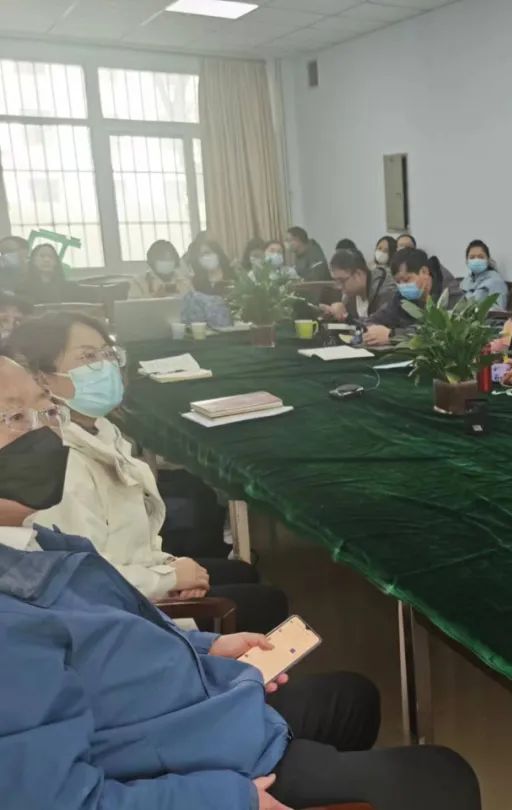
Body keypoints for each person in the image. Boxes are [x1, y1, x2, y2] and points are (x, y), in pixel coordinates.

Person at [0, 353, 482, 810]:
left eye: (46, 412)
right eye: (15, 417)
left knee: (351, 699)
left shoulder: (37, 543)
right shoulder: (10, 621)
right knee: (442, 776)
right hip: (190, 770)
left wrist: (204, 651)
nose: (43, 434)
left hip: (184, 718)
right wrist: (231, 798)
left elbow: (108, 636)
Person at [8, 313, 287, 634]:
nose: (105, 366)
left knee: (242, 573)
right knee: (267, 601)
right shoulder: (57, 462)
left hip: (138, 571)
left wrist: (169, 567)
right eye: (87, 357)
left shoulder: (100, 429)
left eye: (107, 354)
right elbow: (85, 580)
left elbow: (131, 538)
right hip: (123, 613)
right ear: (41, 377)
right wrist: (169, 580)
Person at [363, 248, 444, 346]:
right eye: (398, 282)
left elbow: (437, 334)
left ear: (424, 272)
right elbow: (375, 319)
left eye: (406, 280)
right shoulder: (401, 297)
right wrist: (372, 331)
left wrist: (392, 336)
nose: (402, 286)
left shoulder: (448, 294)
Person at [322, 249, 396, 325]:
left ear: (358, 274)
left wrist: (346, 317)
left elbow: (379, 325)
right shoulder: (350, 296)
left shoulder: (386, 291)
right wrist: (332, 313)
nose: (339, 287)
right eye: (336, 281)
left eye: (342, 281)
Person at [460, 239, 508, 309]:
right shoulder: (465, 281)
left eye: (481, 257)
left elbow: (498, 311)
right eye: (472, 257)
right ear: (467, 261)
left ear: (488, 260)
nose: (476, 260)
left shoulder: (496, 282)